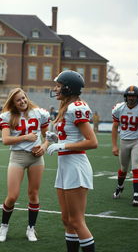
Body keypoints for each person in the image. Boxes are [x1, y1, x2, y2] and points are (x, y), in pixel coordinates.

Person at [46, 70, 98, 252]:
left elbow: (92, 142)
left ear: (68, 88)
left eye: (59, 86)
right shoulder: (66, 107)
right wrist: (56, 140)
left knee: (76, 220)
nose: (55, 89)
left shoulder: (77, 107)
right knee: (67, 219)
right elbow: (69, 135)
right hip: (65, 166)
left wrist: (63, 146)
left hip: (75, 164)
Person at [0, 88, 50, 242]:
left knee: (33, 194)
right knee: (12, 196)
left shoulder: (39, 113)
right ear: (13, 102)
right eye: (18, 100)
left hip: (36, 158)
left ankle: (31, 228)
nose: (22, 101)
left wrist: (44, 147)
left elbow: (49, 136)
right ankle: (4, 225)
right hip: (18, 157)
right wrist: (26, 137)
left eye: (23, 98)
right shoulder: (7, 116)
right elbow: (5, 140)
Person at [111, 85, 138, 206]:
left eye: (133, 96)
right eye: (129, 96)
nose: (131, 98)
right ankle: (120, 186)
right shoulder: (119, 108)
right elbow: (114, 127)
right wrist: (114, 146)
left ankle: (136, 195)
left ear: (137, 97)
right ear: (125, 96)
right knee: (123, 168)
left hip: (137, 141)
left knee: (135, 167)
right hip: (124, 141)